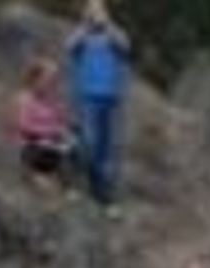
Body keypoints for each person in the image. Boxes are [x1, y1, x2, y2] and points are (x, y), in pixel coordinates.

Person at [66, 0, 130, 211]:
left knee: (105, 148)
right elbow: (69, 46)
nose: (96, 14)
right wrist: (85, 25)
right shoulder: (82, 36)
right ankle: (76, 184)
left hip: (110, 97)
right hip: (88, 96)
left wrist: (108, 24)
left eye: (99, 9)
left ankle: (102, 193)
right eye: (92, 10)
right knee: (88, 142)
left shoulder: (114, 35)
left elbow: (125, 46)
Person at [14, 57, 74, 190]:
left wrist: (63, 129)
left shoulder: (52, 101)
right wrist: (49, 131)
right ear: (35, 79)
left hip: (52, 144)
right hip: (32, 145)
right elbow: (24, 126)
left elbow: (61, 121)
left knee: (72, 145)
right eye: (47, 80)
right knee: (47, 148)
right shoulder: (25, 99)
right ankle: (34, 175)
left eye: (54, 81)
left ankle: (65, 184)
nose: (50, 84)